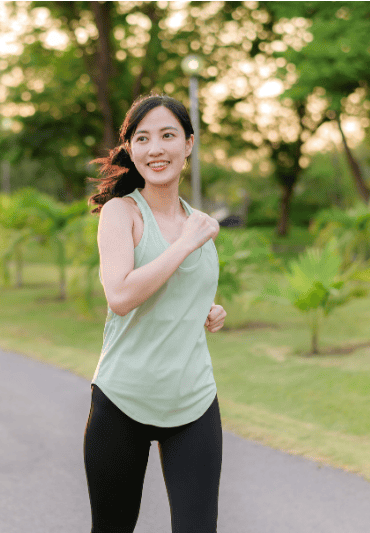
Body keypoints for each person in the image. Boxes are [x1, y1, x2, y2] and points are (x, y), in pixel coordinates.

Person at [83, 93, 227, 533]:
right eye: (142, 138)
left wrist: (209, 311)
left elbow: (185, 290)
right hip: (123, 399)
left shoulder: (198, 221)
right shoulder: (120, 213)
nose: (155, 149)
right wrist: (184, 244)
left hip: (193, 399)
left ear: (188, 144)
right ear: (130, 149)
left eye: (167, 135)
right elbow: (121, 296)